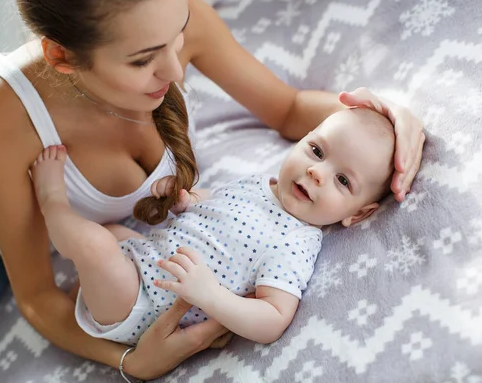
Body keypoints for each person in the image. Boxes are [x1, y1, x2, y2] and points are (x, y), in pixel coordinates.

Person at [0, 0, 425, 381]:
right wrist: (130, 361)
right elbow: (37, 296)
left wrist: (390, 119)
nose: (178, 70)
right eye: (144, 61)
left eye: (178, 36)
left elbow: (287, 109)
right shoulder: (0, 111)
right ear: (61, 56)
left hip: (50, 241)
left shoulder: (168, 14)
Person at [30, 106, 395, 354]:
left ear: (358, 214)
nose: (318, 171)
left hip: (145, 307)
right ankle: (86, 283)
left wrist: (211, 296)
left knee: (94, 244)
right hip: (142, 259)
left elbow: (273, 319)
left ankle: (51, 202)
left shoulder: (296, 241)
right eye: (316, 150)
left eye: (343, 180)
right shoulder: (258, 185)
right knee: (112, 232)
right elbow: (212, 206)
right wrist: (184, 201)